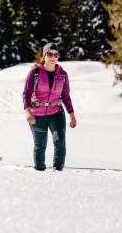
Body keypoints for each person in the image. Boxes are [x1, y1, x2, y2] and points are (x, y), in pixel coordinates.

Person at [23, 43, 77, 171]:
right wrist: (28, 111)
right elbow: (26, 93)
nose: (53, 57)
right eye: (49, 54)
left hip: (56, 113)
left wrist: (72, 115)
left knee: (60, 142)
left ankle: (58, 171)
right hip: (37, 114)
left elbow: (66, 96)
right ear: (44, 56)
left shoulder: (62, 74)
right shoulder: (34, 73)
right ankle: (39, 171)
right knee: (40, 145)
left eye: (55, 54)